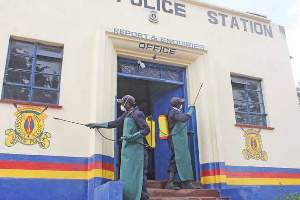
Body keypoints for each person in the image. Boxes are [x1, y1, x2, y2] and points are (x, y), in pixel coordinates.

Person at [86, 95, 150, 200]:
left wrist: (132, 137)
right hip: (129, 150)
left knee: (140, 176)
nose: (121, 105)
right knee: (129, 175)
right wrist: (97, 125)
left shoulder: (138, 114)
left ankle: (145, 197)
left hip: (139, 151)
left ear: (128, 104)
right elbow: (115, 123)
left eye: (122, 103)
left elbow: (146, 130)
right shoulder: (126, 114)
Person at [166, 97, 200, 190]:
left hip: (180, 140)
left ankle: (186, 183)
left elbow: (177, 125)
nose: (181, 104)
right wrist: (190, 111)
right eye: (180, 103)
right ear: (176, 104)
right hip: (175, 140)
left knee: (183, 160)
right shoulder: (173, 112)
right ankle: (170, 183)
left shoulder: (175, 111)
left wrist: (187, 132)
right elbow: (183, 119)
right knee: (175, 160)